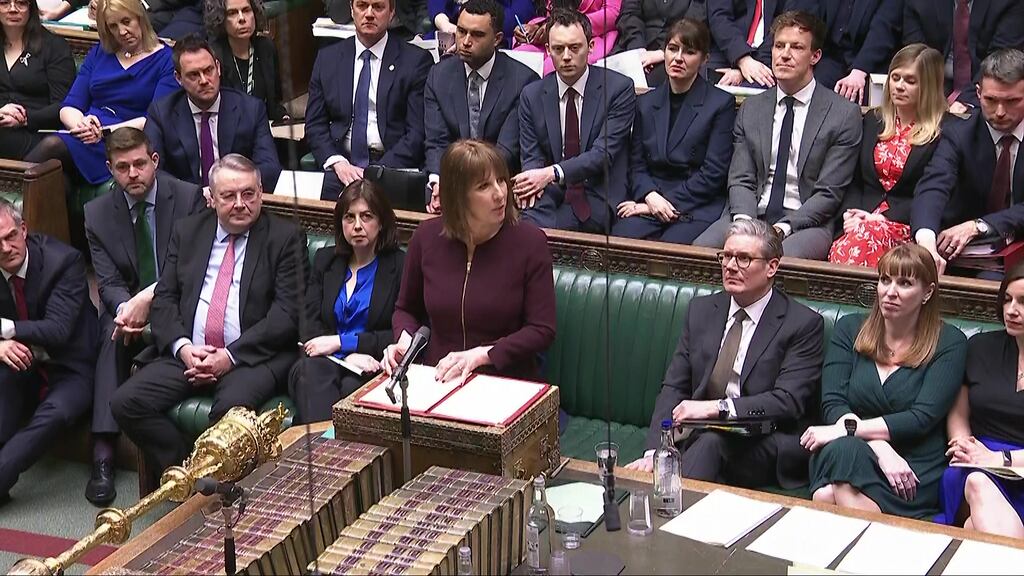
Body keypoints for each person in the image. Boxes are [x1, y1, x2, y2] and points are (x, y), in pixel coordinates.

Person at [110, 154, 306, 482]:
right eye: (229, 196)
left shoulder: (285, 238)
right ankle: (189, 474)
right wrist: (183, 347)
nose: (240, 203)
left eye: (249, 193)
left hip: (251, 358)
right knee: (125, 402)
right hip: (190, 352)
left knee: (227, 415)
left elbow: (286, 315)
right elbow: (165, 297)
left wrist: (229, 356)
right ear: (212, 198)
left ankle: (226, 495)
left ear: (261, 192)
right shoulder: (189, 232)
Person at [625, 218, 824, 491]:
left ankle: (664, 508)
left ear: (772, 267)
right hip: (701, 433)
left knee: (711, 443)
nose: (730, 266)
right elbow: (675, 386)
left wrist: (717, 408)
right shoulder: (702, 310)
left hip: (764, 440)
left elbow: (787, 401)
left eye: (743, 258)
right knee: (702, 444)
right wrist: (656, 451)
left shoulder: (802, 323)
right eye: (726, 256)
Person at [802, 243, 967, 519]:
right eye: (884, 280)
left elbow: (922, 417)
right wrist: (878, 447)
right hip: (848, 447)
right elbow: (833, 403)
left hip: (914, 465)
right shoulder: (849, 328)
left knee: (828, 493)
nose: (890, 292)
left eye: (904, 283)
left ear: (927, 292)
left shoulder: (949, 342)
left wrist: (850, 432)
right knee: (843, 451)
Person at [82, 127, 202, 506]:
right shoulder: (97, 212)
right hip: (127, 311)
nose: (132, 174)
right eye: (122, 167)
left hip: (180, 303)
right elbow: (108, 280)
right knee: (112, 335)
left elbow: (188, 267)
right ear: (110, 169)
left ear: (154, 161)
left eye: (139, 164)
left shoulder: (187, 197)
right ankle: (103, 454)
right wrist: (125, 311)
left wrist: (146, 300)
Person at [694, 10, 862, 261]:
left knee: (778, 262)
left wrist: (781, 228)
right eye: (779, 46)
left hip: (804, 223)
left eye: (796, 47)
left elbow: (829, 194)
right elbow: (741, 178)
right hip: (749, 214)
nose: (784, 54)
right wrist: (745, 225)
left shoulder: (843, 114)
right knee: (698, 254)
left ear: (815, 56)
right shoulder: (752, 107)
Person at [383, 140, 555, 383]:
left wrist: (482, 355)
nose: (499, 193)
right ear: (458, 196)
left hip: (505, 380)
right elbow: (406, 309)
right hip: (439, 377)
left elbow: (542, 329)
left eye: (502, 180)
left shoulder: (530, 243)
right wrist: (404, 339)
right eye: (484, 186)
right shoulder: (426, 237)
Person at [0, 199, 98, 505]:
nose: (4, 248)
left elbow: (58, 330)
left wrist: (4, 328)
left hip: (72, 364)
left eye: (10, 236)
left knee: (54, 414)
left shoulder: (63, 261)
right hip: (22, 361)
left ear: (24, 230)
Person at [24, 0, 179, 187]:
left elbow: (155, 118)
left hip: (126, 138)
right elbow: (69, 106)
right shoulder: (100, 53)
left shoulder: (166, 60)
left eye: (126, 21)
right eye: (113, 26)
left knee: (52, 146)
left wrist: (103, 133)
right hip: (87, 135)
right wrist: (82, 126)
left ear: (140, 18)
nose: (122, 31)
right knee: (56, 183)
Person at [289, 180, 403, 424]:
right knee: (310, 372)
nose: (358, 226)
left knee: (352, 388)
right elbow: (308, 322)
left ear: (381, 222)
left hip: (373, 363)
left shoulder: (399, 266)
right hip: (326, 362)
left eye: (367, 216)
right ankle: (322, 453)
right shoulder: (325, 261)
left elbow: (397, 333)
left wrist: (344, 342)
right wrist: (344, 355)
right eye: (349, 217)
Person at [614, 19, 736, 244]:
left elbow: (713, 174)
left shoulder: (721, 104)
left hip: (696, 204)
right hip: (651, 197)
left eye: (689, 52)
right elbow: (636, 163)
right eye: (672, 49)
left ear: (704, 59)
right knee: (621, 239)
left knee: (673, 249)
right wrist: (650, 196)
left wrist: (655, 205)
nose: (678, 58)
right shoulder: (646, 102)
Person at [513, 8, 635, 233]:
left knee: (549, 230)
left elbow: (603, 154)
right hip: (549, 189)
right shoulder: (532, 94)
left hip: (597, 189)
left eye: (574, 47)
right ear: (548, 50)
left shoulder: (618, 88)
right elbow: (531, 156)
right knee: (525, 225)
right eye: (559, 49)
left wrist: (551, 173)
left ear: (590, 48)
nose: (566, 56)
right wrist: (531, 186)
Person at [829, 44, 949, 267]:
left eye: (910, 81)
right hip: (859, 222)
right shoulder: (872, 121)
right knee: (863, 236)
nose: (899, 87)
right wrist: (852, 214)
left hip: (909, 226)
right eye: (895, 78)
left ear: (930, 86)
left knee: (867, 237)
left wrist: (881, 219)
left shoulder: (945, 131)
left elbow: (932, 192)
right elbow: (854, 180)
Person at [304, 0, 434, 200]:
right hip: (341, 169)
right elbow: (315, 125)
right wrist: (337, 162)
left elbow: (416, 134)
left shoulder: (416, 62)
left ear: (391, 12)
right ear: (351, 9)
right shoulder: (327, 59)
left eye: (378, 7)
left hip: (391, 168)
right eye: (362, 6)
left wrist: (374, 173)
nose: (369, 14)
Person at [912, 49, 1024, 277]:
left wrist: (979, 225)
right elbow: (933, 186)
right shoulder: (960, 135)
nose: (1000, 112)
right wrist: (926, 242)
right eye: (991, 100)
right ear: (979, 93)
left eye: (1012, 101)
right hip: (972, 255)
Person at [424, 0, 539, 213]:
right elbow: (436, 142)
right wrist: (439, 182)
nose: (465, 41)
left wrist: (464, 188)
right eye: (461, 31)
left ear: (496, 39)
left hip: (497, 183)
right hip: (450, 177)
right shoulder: (438, 76)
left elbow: (505, 151)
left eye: (477, 35)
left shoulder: (522, 81)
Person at [938, 263, 1024, 537]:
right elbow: (959, 414)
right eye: (1007, 299)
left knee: (973, 525)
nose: (1011, 310)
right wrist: (962, 444)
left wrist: (1001, 458)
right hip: (976, 460)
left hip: (1014, 463)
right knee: (975, 480)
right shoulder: (980, 347)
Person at [144, 34, 282, 192]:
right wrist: (194, 196)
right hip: (186, 206)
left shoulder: (250, 109)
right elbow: (152, 171)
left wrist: (227, 191)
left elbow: (269, 167)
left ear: (218, 68)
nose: (203, 80)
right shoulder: (161, 113)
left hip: (237, 200)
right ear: (178, 78)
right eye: (193, 75)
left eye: (208, 70)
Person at [903, 0, 1024, 113]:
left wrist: (967, 100)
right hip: (934, 86)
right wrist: (932, 98)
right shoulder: (920, 3)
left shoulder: (1008, 3)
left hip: (986, 90)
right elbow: (916, 54)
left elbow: (1000, 60)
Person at [0, 0, 74, 160]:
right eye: (4, 3)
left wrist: (25, 118)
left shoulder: (54, 46)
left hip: (37, 134)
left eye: (21, 3)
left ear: (31, 8)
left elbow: (64, 104)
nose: (13, 9)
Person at [790, 0, 903, 103]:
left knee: (858, 95)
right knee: (811, 88)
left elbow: (883, 29)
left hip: (868, 59)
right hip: (830, 55)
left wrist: (860, 70)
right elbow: (807, 19)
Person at [205, 0, 287, 122]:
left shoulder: (266, 47)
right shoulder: (213, 55)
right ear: (220, 19)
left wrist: (283, 118)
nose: (242, 18)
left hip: (263, 128)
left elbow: (274, 102)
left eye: (246, 10)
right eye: (232, 13)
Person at [512, 0, 619, 76]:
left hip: (592, 35)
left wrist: (569, 25)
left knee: (553, 66)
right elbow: (550, 14)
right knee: (520, 57)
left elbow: (612, 13)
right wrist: (535, 27)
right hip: (556, 34)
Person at [613, 0, 705, 82]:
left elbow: (694, 23)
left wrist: (663, 51)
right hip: (634, 42)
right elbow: (629, 14)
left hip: (675, 49)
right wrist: (638, 49)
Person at [708, 0, 790, 88]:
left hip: (769, 57)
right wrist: (743, 59)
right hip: (728, 50)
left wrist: (749, 68)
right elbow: (719, 18)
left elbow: (789, 26)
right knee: (706, 85)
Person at [429, 0, 534, 48]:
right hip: (450, 33)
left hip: (497, 40)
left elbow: (519, 16)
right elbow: (437, 6)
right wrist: (445, 25)